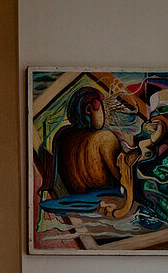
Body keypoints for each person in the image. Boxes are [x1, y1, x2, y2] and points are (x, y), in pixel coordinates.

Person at [41, 86, 135, 219]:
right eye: (102, 108)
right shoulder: (104, 138)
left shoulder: (62, 135)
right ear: (89, 109)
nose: (104, 113)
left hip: (73, 202)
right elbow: (122, 177)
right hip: (105, 203)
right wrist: (130, 149)